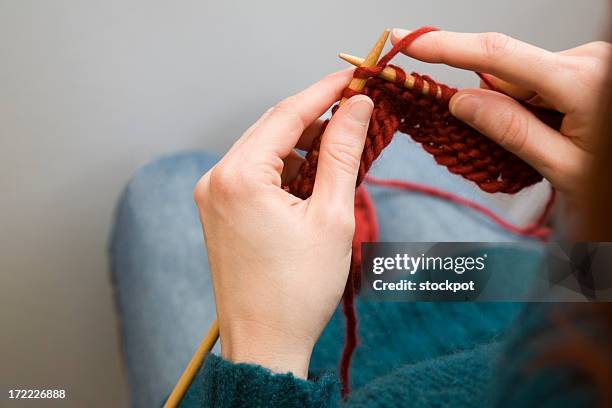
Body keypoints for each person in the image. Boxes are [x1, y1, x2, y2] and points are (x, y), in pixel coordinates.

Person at [109, 28, 611, 407]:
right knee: (369, 265)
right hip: (563, 285)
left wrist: (262, 347)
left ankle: (336, 276)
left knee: (169, 188)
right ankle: (346, 270)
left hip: (476, 345)